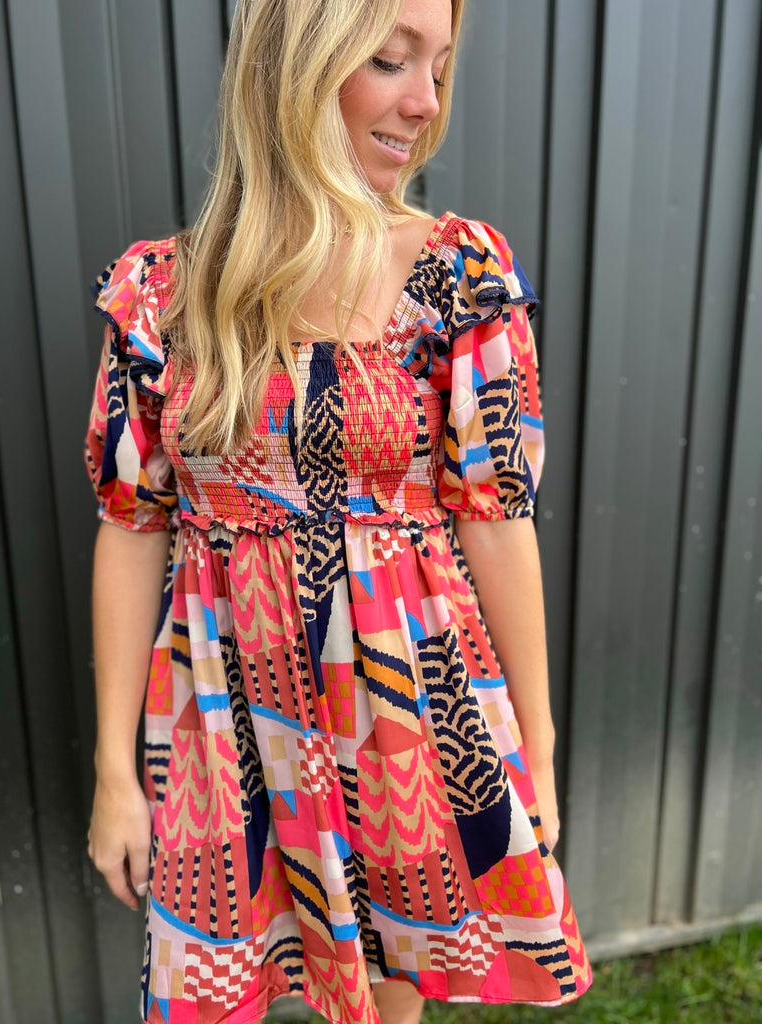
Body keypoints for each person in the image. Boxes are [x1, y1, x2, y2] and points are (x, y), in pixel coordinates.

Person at [84, 0, 592, 1022]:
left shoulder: (458, 275)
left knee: (393, 981)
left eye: (438, 67)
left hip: (405, 708)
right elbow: (132, 525)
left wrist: (534, 748)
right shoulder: (162, 294)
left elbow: (497, 520)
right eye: (392, 60)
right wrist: (114, 773)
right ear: (296, 66)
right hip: (223, 714)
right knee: (220, 976)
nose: (426, 102)